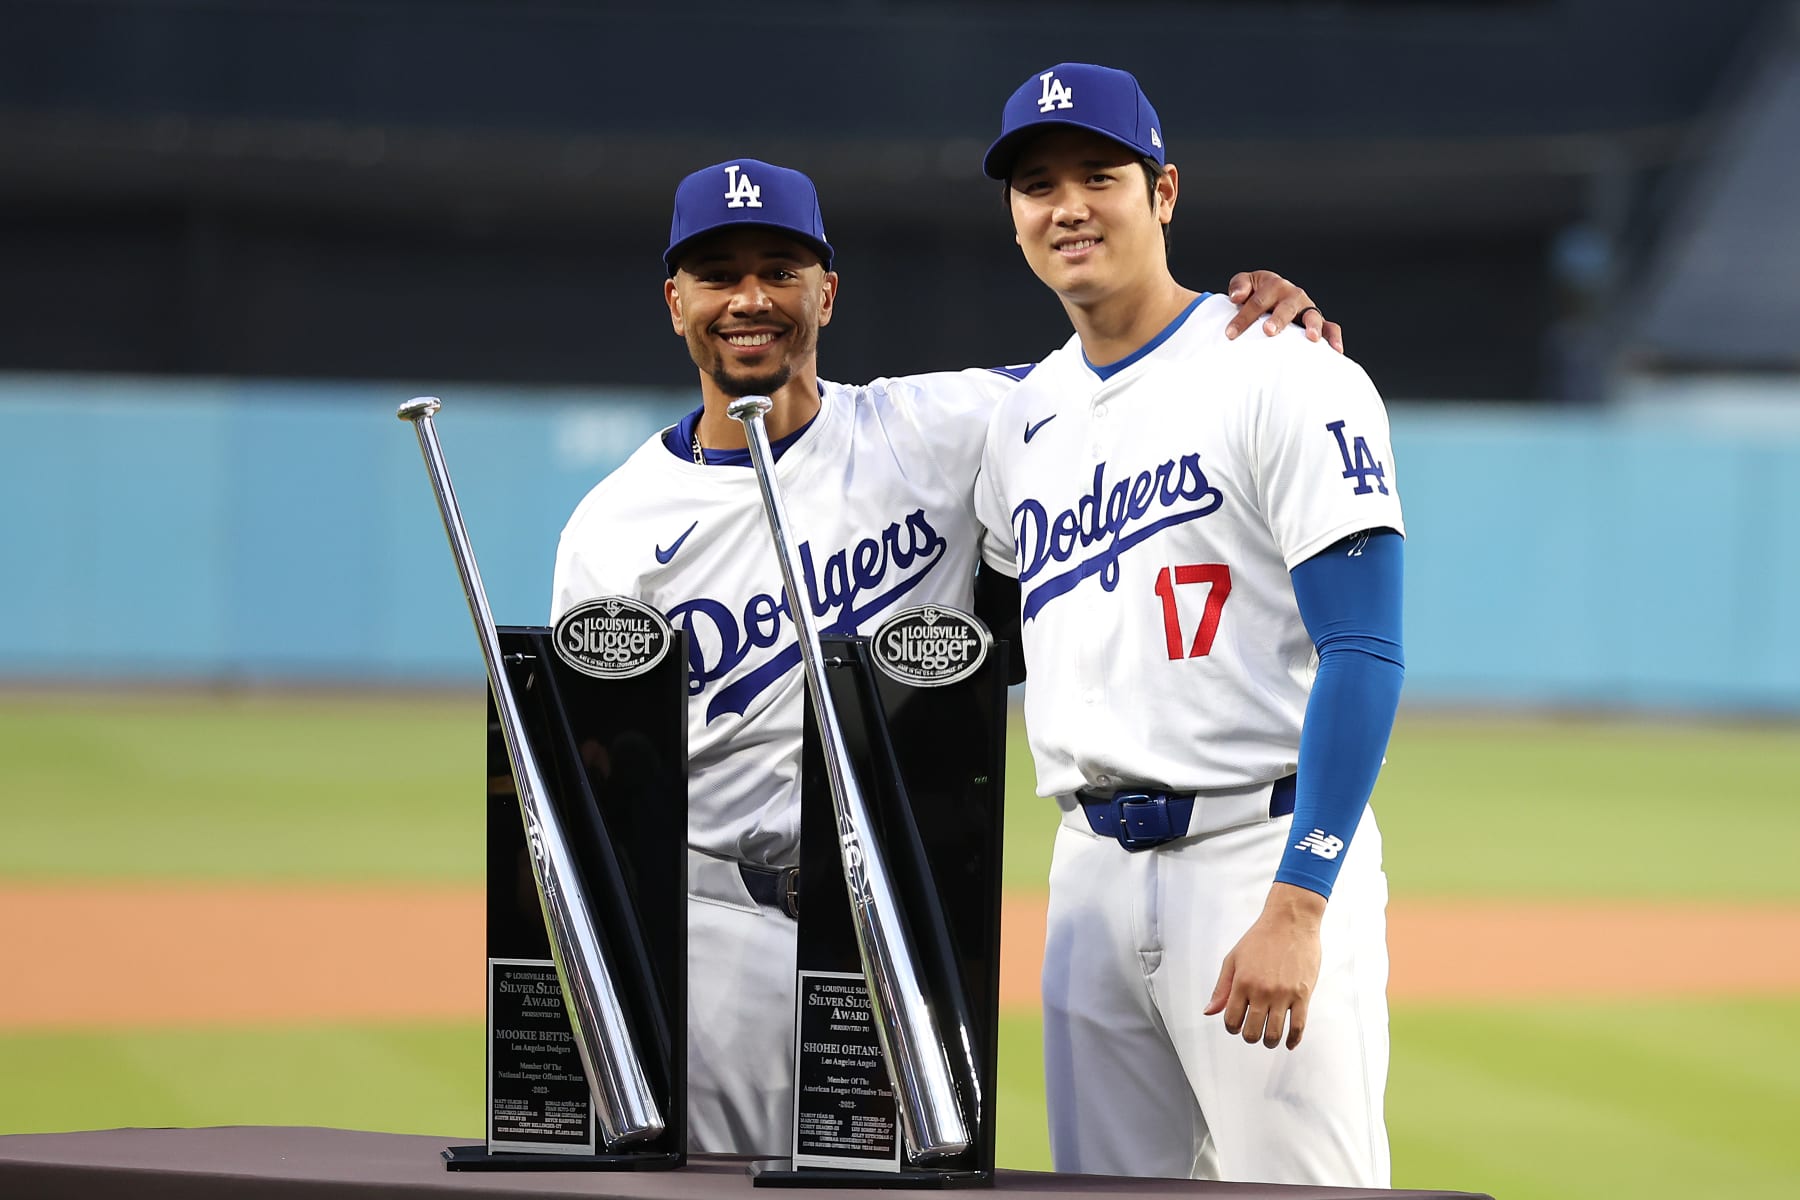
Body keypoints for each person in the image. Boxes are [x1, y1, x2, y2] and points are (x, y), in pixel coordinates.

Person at [550, 156, 1338, 1156]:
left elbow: (1132, 370)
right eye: (717, 275)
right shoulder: (612, 531)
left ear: (826, 293)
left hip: (895, 929)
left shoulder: (942, 428)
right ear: (676, 303)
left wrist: (1255, 320)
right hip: (714, 932)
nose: (750, 298)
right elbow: (595, 798)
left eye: (779, 270)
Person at [972, 64, 1406, 1187]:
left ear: (1163, 191)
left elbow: (1364, 647)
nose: (1066, 205)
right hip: (1088, 875)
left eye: (1097, 175)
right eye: (1035, 183)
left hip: (1256, 852)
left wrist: (1301, 904)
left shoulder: (1282, 370)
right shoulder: (1022, 418)